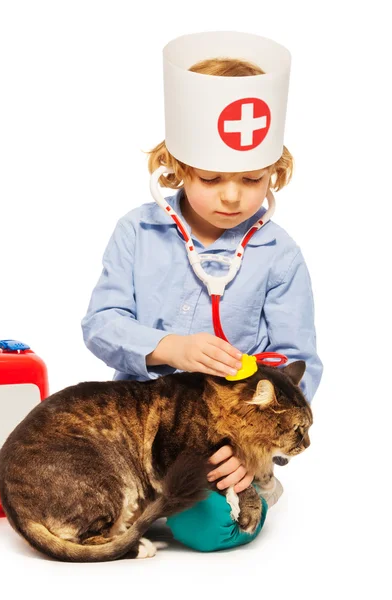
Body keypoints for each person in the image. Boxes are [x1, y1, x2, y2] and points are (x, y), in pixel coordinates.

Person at [81, 32, 323, 552]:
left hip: (225, 437)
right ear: (175, 165)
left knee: (208, 527)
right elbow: (101, 322)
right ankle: (138, 505)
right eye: (211, 178)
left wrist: (253, 450)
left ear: (275, 173)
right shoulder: (137, 233)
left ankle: (231, 493)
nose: (233, 196)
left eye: (253, 178)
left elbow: (296, 359)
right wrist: (171, 347)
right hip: (139, 428)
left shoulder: (279, 254)